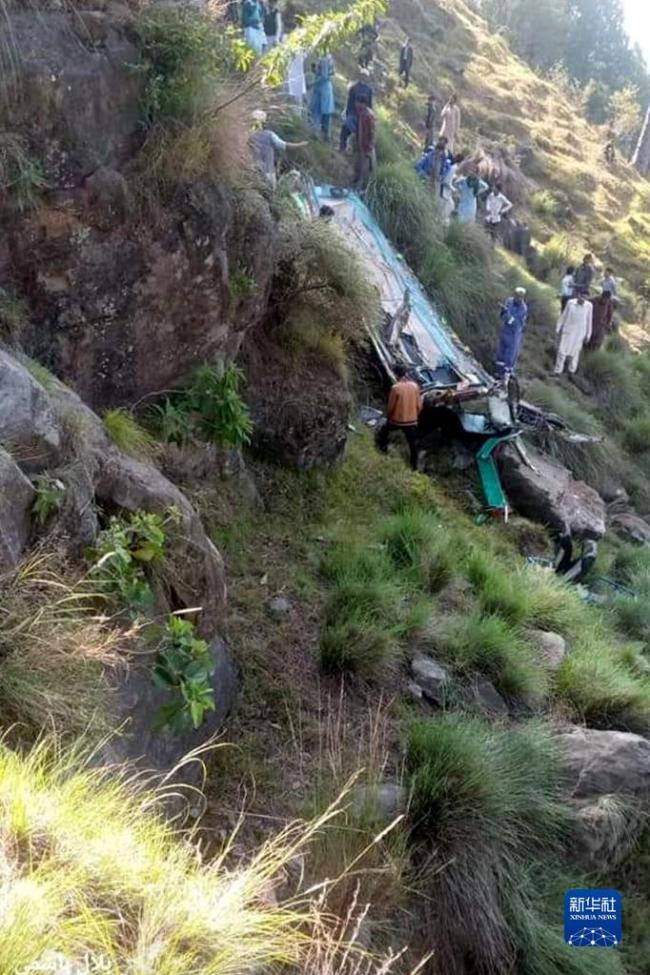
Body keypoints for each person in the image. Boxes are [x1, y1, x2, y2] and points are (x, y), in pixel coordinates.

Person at [377, 363, 422, 471]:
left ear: (396, 374)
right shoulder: (415, 386)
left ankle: (383, 450)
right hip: (411, 421)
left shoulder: (395, 388)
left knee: (384, 430)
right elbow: (419, 405)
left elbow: (391, 407)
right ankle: (414, 466)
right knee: (412, 444)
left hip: (398, 420)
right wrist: (415, 417)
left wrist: (388, 417)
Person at [249, 110, 307, 188]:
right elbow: (284, 145)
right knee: (270, 195)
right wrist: (300, 145)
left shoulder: (248, 135)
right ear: (263, 122)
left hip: (252, 173)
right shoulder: (269, 135)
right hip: (268, 173)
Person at [554, 294, 592, 375]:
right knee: (562, 350)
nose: (583, 299)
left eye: (585, 298)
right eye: (582, 296)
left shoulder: (589, 306)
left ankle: (571, 371)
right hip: (568, 330)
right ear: (578, 295)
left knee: (575, 352)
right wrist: (558, 327)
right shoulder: (570, 303)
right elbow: (564, 315)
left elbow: (589, 321)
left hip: (580, 333)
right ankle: (558, 370)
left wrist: (588, 335)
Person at [496, 287, 528, 380]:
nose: (517, 298)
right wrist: (504, 312)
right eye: (516, 296)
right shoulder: (509, 301)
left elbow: (514, 323)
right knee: (500, 354)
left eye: (520, 297)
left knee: (509, 357)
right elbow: (503, 316)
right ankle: (498, 374)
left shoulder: (523, 309)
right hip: (505, 331)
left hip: (514, 335)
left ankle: (506, 379)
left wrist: (507, 313)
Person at [339, 69, 374, 152]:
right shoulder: (353, 88)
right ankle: (342, 147)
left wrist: (370, 116)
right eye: (362, 76)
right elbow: (349, 102)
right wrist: (348, 114)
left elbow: (369, 104)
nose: (364, 78)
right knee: (345, 128)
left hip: (364, 115)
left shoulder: (369, 90)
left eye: (365, 76)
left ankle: (360, 151)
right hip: (353, 113)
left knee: (364, 134)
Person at [310, 52, 335, 141]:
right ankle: (325, 135)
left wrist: (312, 83)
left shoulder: (324, 59)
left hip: (322, 89)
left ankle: (317, 133)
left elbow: (324, 76)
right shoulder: (328, 58)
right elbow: (328, 73)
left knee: (317, 111)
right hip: (325, 88)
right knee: (325, 113)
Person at [353, 100, 376, 191]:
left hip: (366, 146)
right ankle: (356, 183)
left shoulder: (368, 116)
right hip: (362, 145)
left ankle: (361, 188)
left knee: (364, 169)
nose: (355, 104)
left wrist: (369, 147)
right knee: (359, 166)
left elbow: (372, 132)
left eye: (357, 102)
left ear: (363, 103)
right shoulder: (362, 113)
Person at [440, 152, 465, 224]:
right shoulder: (453, 168)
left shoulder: (456, 169)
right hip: (444, 192)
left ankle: (444, 222)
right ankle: (443, 223)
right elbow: (446, 181)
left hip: (447, 193)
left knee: (451, 206)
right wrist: (453, 189)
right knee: (448, 208)